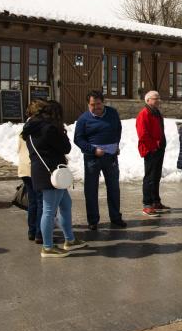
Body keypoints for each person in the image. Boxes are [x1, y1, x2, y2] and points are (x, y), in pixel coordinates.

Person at [23, 100, 86, 258]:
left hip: (43, 171)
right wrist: (61, 131)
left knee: (66, 204)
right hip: (52, 173)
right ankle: (48, 247)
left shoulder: (31, 128)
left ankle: (69, 239)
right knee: (49, 210)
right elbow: (66, 147)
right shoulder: (48, 128)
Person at [74, 90, 127, 230]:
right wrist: (93, 150)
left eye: (98, 104)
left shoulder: (112, 113)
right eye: (93, 104)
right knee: (91, 190)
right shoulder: (83, 119)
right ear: (88, 104)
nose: (96, 107)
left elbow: (118, 129)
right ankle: (93, 220)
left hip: (111, 157)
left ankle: (115, 218)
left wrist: (115, 144)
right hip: (92, 159)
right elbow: (78, 139)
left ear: (103, 102)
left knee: (114, 188)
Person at [18, 100, 46, 243]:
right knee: (41, 201)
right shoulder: (39, 126)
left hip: (24, 168)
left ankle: (31, 230)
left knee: (33, 201)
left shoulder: (25, 127)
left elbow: (19, 148)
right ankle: (40, 233)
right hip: (35, 167)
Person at [136, 90, 167, 217]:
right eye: (155, 98)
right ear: (148, 100)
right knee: (149, 178)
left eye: (159, 98)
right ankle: (147, 204)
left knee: (156, 176)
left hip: (158, 149)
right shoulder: (144, 114)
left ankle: (155, 201)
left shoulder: (156, 112)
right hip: (150, 150)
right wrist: (154, 146)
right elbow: (143, 135)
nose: (158, 100)